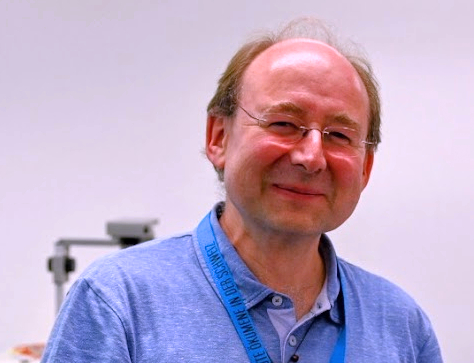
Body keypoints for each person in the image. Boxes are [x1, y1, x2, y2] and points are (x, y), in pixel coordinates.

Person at [42, 18, 442, 363]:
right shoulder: (119, 303)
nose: (312, 157)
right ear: (219, 137)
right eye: (284, 123)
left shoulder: (401, 326)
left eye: (339, 135)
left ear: (366, 167)